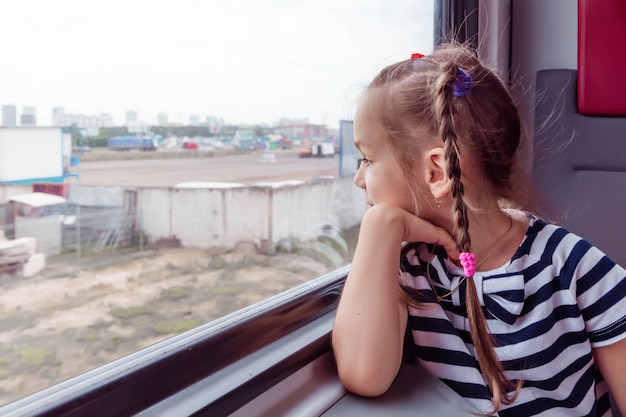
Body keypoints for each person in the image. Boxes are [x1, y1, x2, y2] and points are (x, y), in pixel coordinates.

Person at [331, 42, 626, 416]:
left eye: (368, 159)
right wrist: (380, 224)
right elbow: (364, 374)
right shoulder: (408, 270)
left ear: (436, 171)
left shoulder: (571, 266)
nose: (359, 178)